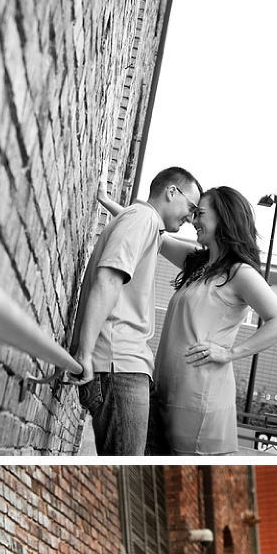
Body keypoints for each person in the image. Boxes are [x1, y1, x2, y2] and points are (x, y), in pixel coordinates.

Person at [68, 166, 202, 455]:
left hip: (127, 368)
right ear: (171, 192)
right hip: (118, 367)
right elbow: (107, 280)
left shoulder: (145, 224)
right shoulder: (143, 219)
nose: (191, 218)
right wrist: (84, 354)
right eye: (191, 207)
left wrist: (105, 200)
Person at [151, 186, 277, 454]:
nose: (194, 221)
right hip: (168, 391)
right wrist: (107, 201)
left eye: (200, 213)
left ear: (224, 217)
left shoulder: (240, 273)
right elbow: (151, 232)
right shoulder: (197, 264)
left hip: (201, 400)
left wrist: (230, 353)